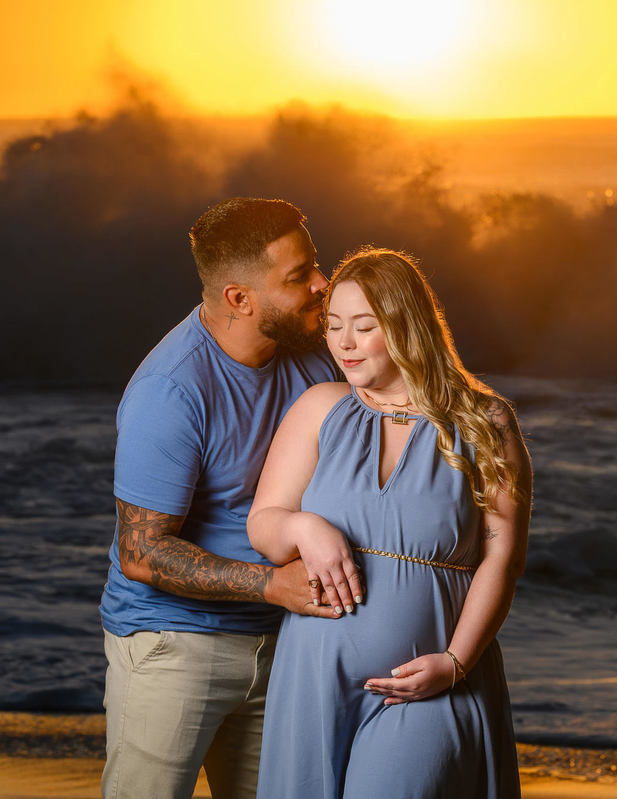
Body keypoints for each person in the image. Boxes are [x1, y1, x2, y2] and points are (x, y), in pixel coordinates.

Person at [247, 247, 531, 798]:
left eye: (363, 326)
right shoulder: (319, 407)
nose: (344, 343)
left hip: (426, 681)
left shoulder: (484, 421)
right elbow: (265, 523)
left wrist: (455, 662)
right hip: (312, 674)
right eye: (333, 327)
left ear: (406, 326)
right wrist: (306, 527)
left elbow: (504, 558)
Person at [98, 197, 343, 799]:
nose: (321, 284)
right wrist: (269, 583)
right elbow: (142, 553)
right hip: (173, 647)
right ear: (239, 298)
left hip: (284, 643)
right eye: (298, 276)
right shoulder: (171, 390)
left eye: (316, 264)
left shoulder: (313, 356)